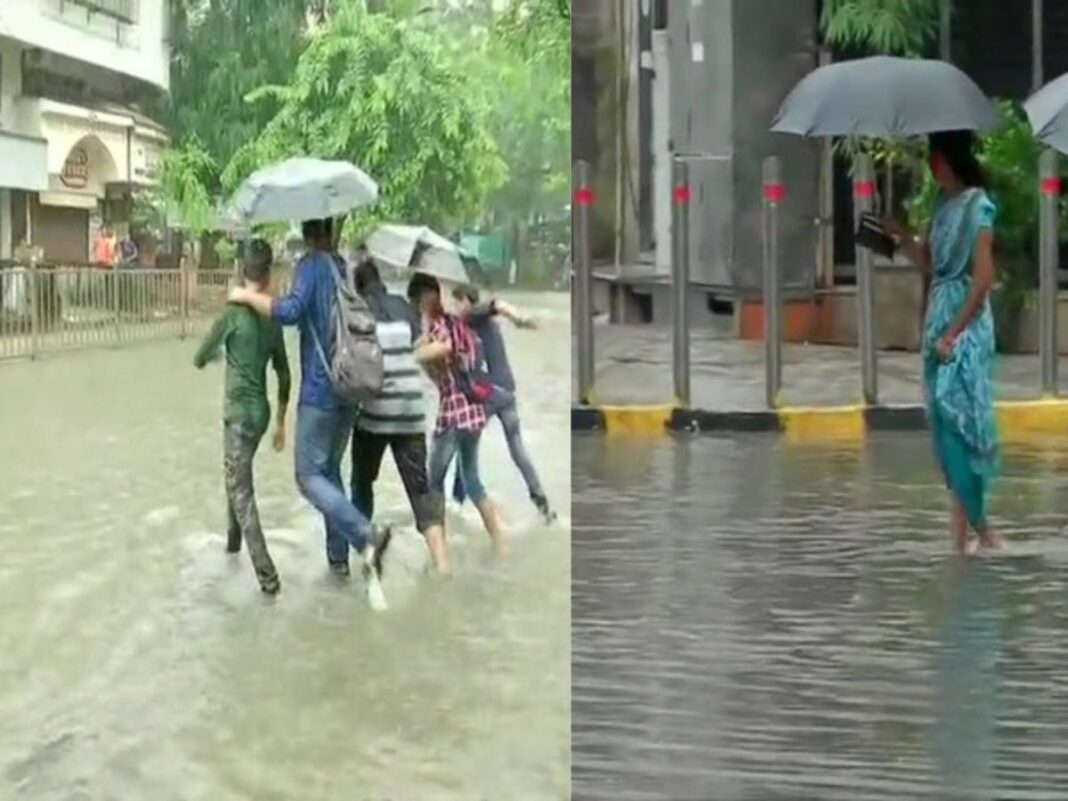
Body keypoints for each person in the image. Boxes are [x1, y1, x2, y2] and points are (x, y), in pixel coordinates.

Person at [228, 218, 392, 611]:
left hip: (321, 390)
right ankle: (338, 565)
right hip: (350, 389)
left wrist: (245, 297)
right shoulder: (346, 266)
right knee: (330, 473)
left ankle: (366, 536)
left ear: (307, 233)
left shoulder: (314, 266)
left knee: (307, 476)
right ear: (333, 231)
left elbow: (289, 310)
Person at [884, 130, 1001, 555]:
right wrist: (901, 239)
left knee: (961, 423)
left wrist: (954, 331)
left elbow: (984, 277)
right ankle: (964, 538)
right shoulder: (941, 206)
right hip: (937, 320)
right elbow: (931, 264)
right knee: (943, 427)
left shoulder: (979, 205)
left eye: (934, 157)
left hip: (965, 326)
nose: (932, 166)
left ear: (945, 160)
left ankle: (982, 531)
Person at [194, 239, 290, 595]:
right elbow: (284, 373)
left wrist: (219, 356)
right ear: (267, 275)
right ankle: (233, 545)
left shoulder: (232, 315)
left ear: (241, 272)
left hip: (237, 415)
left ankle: (269, 578)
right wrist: (281, 423)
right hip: (261, 415)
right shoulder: (272, 320)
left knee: (241, 492)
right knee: (234, 477)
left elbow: (199, 356)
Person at [351, 261, 450, 572]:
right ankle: (443, 566)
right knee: (420, 493)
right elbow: (420, 346)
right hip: (410, 411)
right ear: (380, 280)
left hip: (375, 414)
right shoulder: (404, 307)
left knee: (361, 482)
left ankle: (366, 545)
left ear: (357, 286)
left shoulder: (359, 311)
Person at [412, 274, 506, 557]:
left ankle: (440, 553)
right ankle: (500, 543)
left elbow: (445, 349)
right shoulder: (456, 323)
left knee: (433, 484)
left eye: (416, 302)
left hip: (454, 417)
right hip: (474, 413)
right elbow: (443, 375)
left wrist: (413, 354)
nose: (416, 308)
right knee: (473, 481)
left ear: (424, 299)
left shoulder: (441, 326)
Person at [450, 284, 556, 523]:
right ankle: (542, 505)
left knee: (464, 443)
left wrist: (519, 319)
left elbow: (497, 304)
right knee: (518, 450)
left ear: (466, 301)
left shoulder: (473, 315)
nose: (454, 308)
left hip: (489, 394)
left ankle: (456, 503)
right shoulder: (479, 325)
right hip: (507, 392)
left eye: (456, 302)